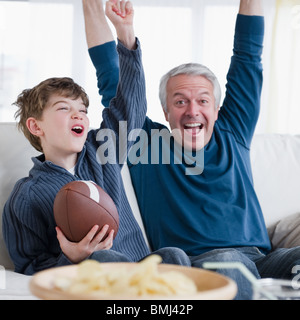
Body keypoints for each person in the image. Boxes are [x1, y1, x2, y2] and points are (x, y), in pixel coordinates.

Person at [86, 0, 300, 299]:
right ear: (165, 110)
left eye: (202, 100)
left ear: (216, 108)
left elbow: (248, 56)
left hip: (260, 260)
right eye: (180, 101)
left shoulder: (233, 131)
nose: (192, 111)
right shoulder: (144, 144)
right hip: (197, 266)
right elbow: (111, 77)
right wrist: (103, 14)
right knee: (228, 263)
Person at [2, 0, 190, 276]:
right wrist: (71, 256)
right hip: (94, 280)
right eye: (64, 109)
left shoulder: (102, 150)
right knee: (101, 258)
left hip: (142, 273)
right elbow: (29, 266)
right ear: (36, 126)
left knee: (174, 255)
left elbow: (132, 108)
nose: (78, 116)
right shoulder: (26, 195)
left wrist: (125, 34)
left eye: (83, 110)